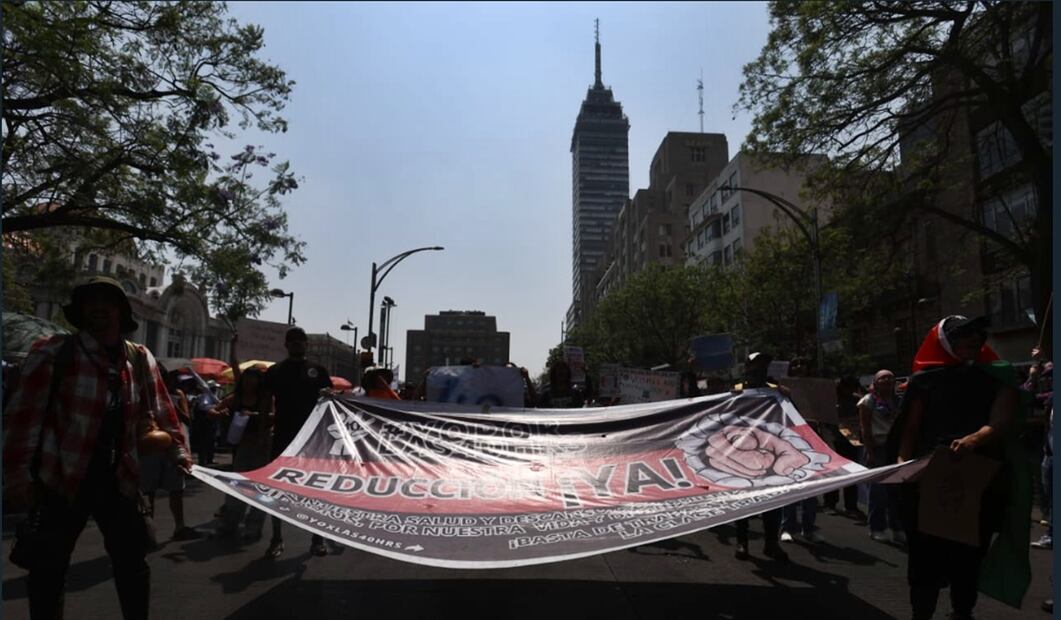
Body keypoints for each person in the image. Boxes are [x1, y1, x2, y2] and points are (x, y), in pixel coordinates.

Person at [3, 276, 191, 620]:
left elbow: (163, 410)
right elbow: (23, 418)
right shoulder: (54, 352)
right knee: (48, 571)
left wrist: (178, 452)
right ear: (81, 311)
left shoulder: (139, 357)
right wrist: (17, 476)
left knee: (132, 564)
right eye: (91, 302)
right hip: (61, 478)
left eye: (108, 301)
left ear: (121, 311)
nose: (99, 308)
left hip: (120, 478)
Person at [890, 315, 1031, 619]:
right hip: (929, 480)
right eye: (963, 335)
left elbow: (1001, 420)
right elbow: (910, 431)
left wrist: (974, 439)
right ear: (943, 341)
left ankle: (962, 612)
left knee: (969, 554)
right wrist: (904, 465)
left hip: (979, 480)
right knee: (925, 556)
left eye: (977, 336)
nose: (973, 340)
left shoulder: (997, 377)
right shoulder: (922, 381)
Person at [261, 327, 333, 559]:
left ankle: (317, 538)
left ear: (306, 344)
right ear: (286, 344)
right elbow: (264, 400)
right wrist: (264, 425)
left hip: (312, 439)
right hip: (283, 436)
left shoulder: (317, 370)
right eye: (292, 341)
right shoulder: (275, 371)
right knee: (278, 488)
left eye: (300, 341)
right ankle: (276, 537)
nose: (296, 344)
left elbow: (329, 399)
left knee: (315, 489)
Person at [214, 332, 273, 543]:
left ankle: (253, 526)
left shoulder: (266, 398)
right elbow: (214, 409)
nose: (249, 382)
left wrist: (255, 416)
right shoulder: (236, 397)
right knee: (238, 486)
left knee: (259, 488)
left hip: (261, 444)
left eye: (253, 379)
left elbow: (274, 417)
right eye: (246, 379)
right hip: (242, 446)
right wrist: (233, 346)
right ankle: (230, 523)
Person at [731, 352, 789, 562]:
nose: (760, 371)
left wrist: (786, 397)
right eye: (755, 367)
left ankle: (771, 544)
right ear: (747, 368)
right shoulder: (736, 391)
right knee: (743, 500)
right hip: (741, 453)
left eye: (764, 367)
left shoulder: (776, 391)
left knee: (773, 501)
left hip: (770, 453)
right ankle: (742, 541)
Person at [139, 370, 202, 541]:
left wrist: (172, 408)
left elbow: (187, 420)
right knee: (148, 490)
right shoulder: (143, 394)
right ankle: (147, 530)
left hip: (172, 444)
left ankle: (179, 526)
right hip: (150, 446)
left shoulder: (176, 394)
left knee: (176, 488)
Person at [859, 369, 904, 543]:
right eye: (882, 378)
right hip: (877, 448)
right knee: (878, 492)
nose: (887, 380)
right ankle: (877, 527)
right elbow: (865, 428)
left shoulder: (899, 401)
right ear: (876, 382)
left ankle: (897, 527)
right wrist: (869, 452)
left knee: (897, 490)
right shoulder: (868, 401)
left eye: (890, 377)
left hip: (896, 448)